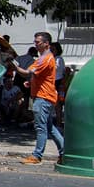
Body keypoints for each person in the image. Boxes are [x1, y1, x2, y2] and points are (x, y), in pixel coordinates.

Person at [12, 31, 63, 165]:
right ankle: (64, 154)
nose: (35, 44)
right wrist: (31, 82)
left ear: (46, 44)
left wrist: (14, 66)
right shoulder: (42, 58)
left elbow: (26, 72)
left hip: (43, 97)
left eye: (38, 42)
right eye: (34, 42)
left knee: (41, 128)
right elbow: (37, 75)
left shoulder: (45, 59)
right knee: (50, 128)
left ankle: (37, 156)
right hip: (45, 96)